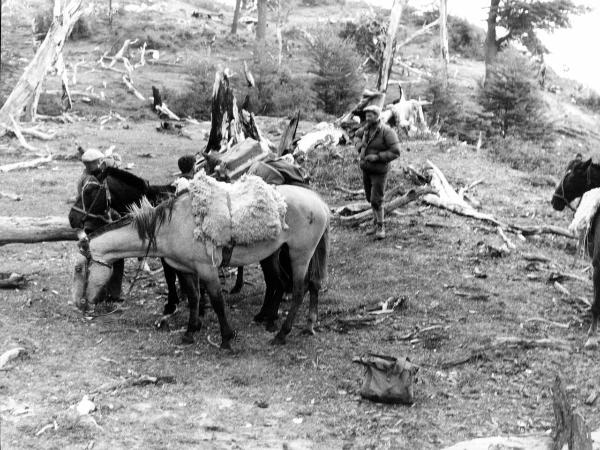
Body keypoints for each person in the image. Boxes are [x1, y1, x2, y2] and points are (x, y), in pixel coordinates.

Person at [78, 149, 124, 302]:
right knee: (115, 258)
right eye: (98, 161)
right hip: (99, 225)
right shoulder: (92, 181)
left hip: (89, 226)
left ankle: (96, 294)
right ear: (94, 163)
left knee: (94, 260)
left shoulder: (84, 178)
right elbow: (102, 207)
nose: (100, 164)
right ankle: (112, 294)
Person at [355, 105, 401, 240]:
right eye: (367, 114)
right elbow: (355, 136)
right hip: (366, 169)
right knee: (370, 198)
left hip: (379, 171)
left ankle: (381, 227)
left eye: (371, 114)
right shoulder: (365, 129)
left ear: (377, 116)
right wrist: (359, 147)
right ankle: (375, 224)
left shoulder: (387, 131)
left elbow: (396, 151)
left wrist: (378, 157)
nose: (368, 117)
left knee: (377, 200)